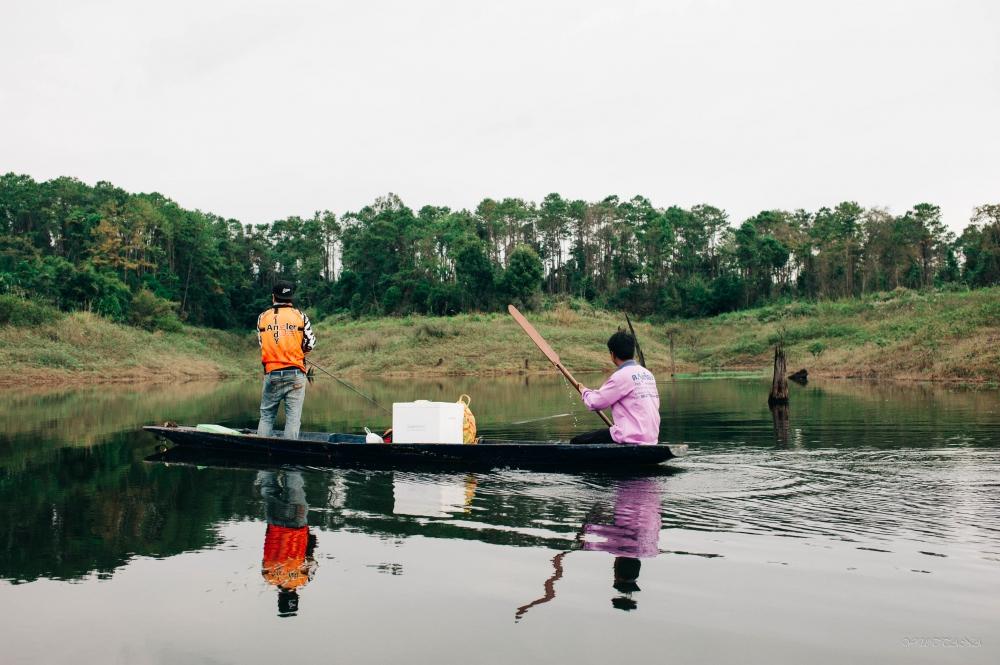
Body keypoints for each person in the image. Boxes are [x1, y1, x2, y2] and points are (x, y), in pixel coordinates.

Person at [572, 331, 660, 445]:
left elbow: (595, 403)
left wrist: (584, 391)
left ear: (612, 354)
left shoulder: (621, 376)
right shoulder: (647, 374)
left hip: (630, 437)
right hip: (651, 438)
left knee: (576, 441)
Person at [256, 280, 316, 439]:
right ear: (291, 298)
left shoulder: (262, 318)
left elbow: (262, 343)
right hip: (296, 373)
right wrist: (300, 352)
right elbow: (311, 343)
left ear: (273, 298)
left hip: (272, 374)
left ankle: (263, 452)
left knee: (267, 416)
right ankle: (291, 459)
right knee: (293, 420)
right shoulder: (300, 317)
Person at [257, 470, 317, 617]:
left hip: (297, 523)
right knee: (268, 487)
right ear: (279, 598)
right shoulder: (268, 576)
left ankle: (294, 461)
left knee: (294, 483)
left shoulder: (304, 579)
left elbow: (311, 550)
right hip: (274, 524)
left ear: (296, 597)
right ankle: (266, 462)